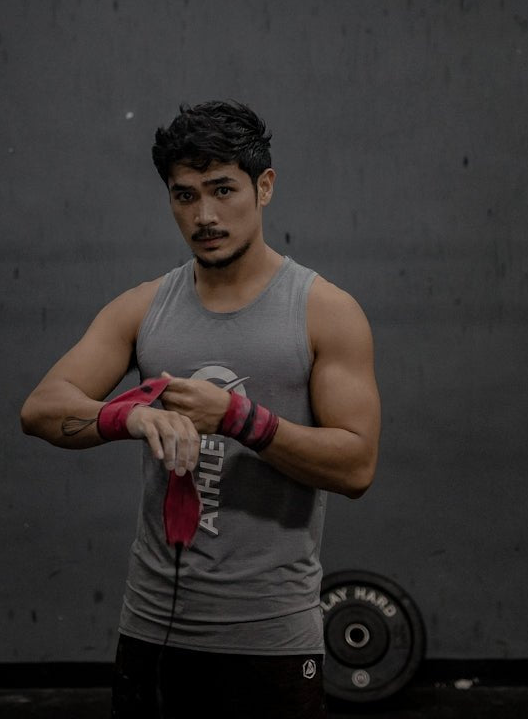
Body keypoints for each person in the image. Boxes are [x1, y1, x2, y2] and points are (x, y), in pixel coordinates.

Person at [19, 100, 381, 718]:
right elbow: (42, 408)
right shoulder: (143, 307)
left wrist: (240, 418)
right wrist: (126, 416)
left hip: (271, 634)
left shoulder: (324, 311)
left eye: (222, 190)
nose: (205, 215)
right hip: (152, 629)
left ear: (263, 187)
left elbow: (355, 468)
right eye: (185, 196)